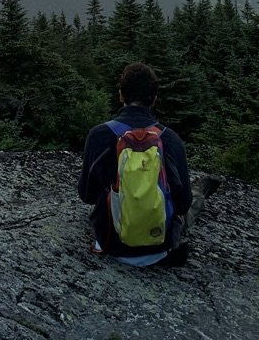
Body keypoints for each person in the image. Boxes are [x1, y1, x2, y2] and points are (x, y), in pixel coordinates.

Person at [78, 62, 214, 267]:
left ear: (121, 95)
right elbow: (182, 205)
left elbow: (86, 196)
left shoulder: (99, 134)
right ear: (154, 99)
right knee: (191, 203)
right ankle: (201, 191)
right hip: (160, 247)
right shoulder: (171, 139)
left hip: (112, 244)